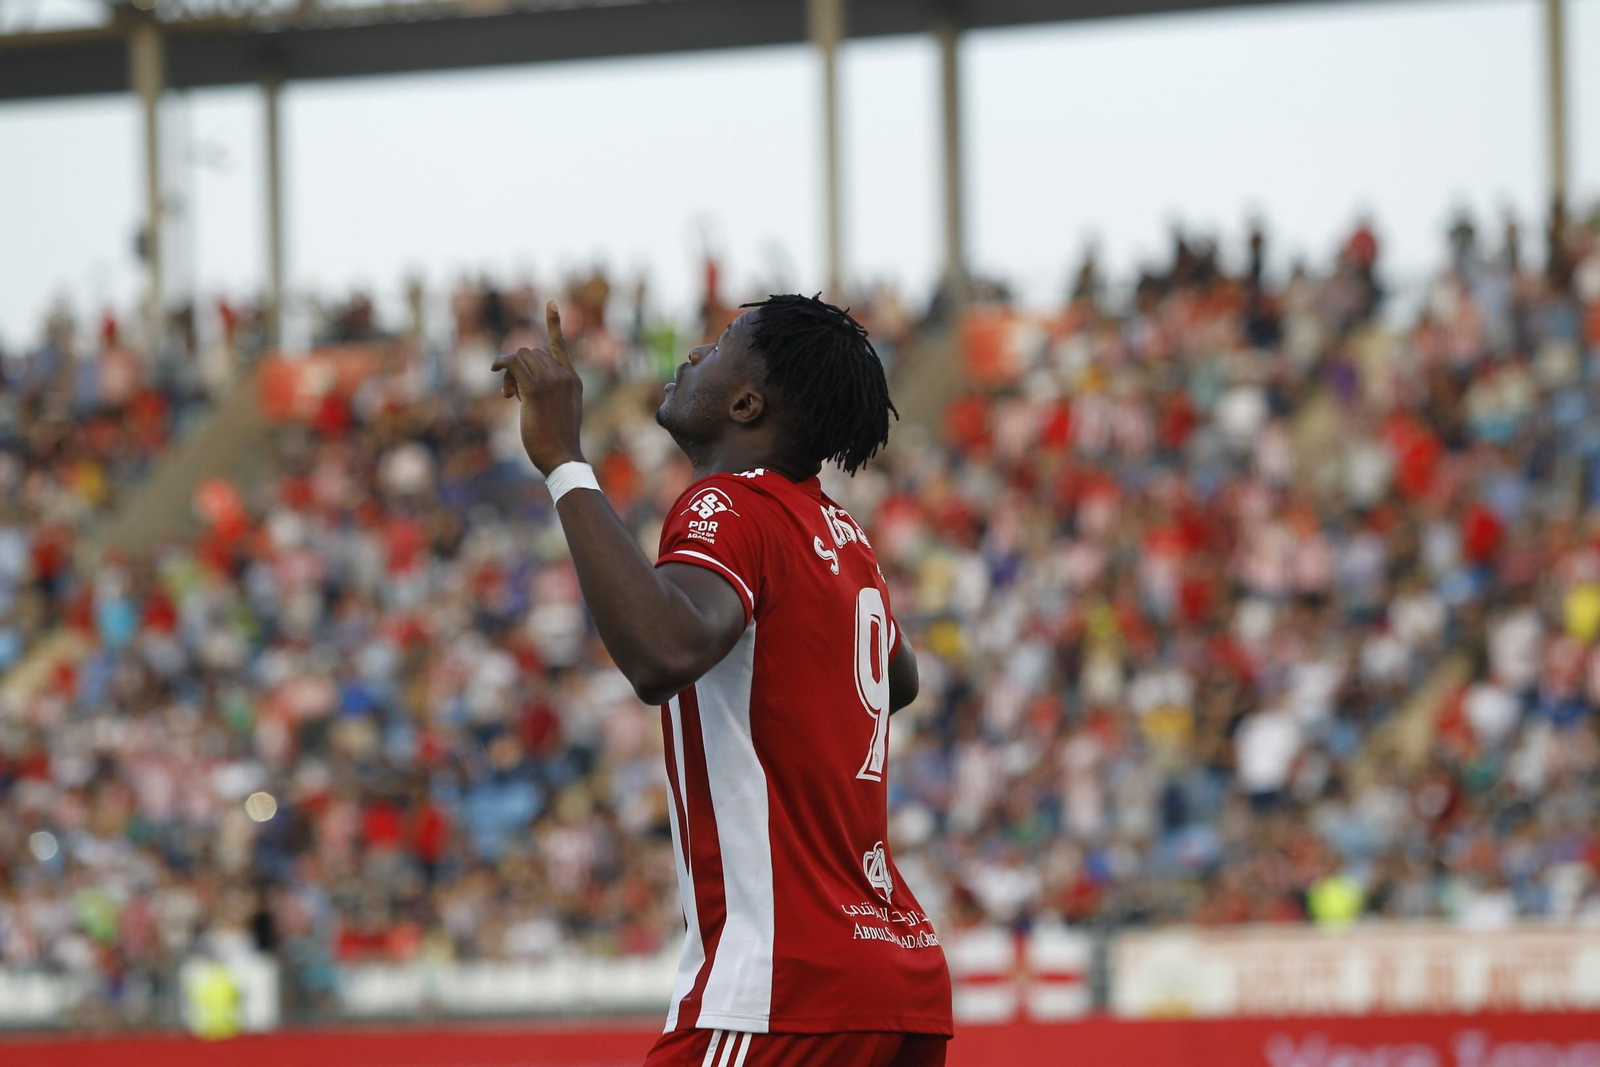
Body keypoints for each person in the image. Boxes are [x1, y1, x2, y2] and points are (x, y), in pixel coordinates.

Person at [493, 295, 952, 1067]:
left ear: (746, 403)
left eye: (718, 346)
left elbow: (662, 654)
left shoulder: (727, 502)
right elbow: (896, 677)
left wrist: (565, 462)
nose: (694, 352)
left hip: (783, 986)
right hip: (895, 981)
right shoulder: (843, 534)